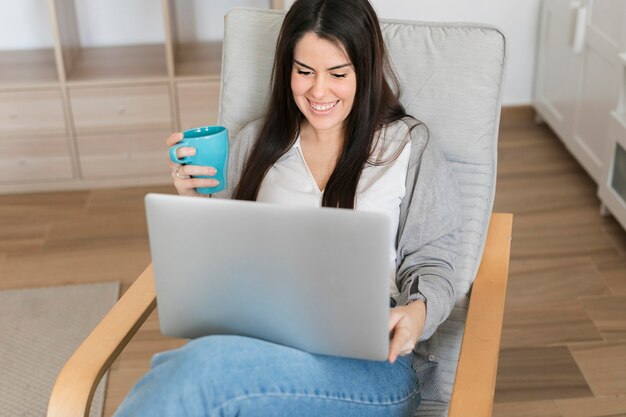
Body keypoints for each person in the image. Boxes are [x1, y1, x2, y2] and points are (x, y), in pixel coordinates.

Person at [115, 0, 460, 416]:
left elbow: (435, 262)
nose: (318, 92)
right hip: (265, 337)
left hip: (371, 359)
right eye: (304, 72)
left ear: (365, 71)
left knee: (201, 373)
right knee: (195, 370)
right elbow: (223, 265)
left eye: (338, 74)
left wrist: (416, 316)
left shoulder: (407, 145)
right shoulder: (256, 144)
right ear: (286, 69)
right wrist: (194, 206)